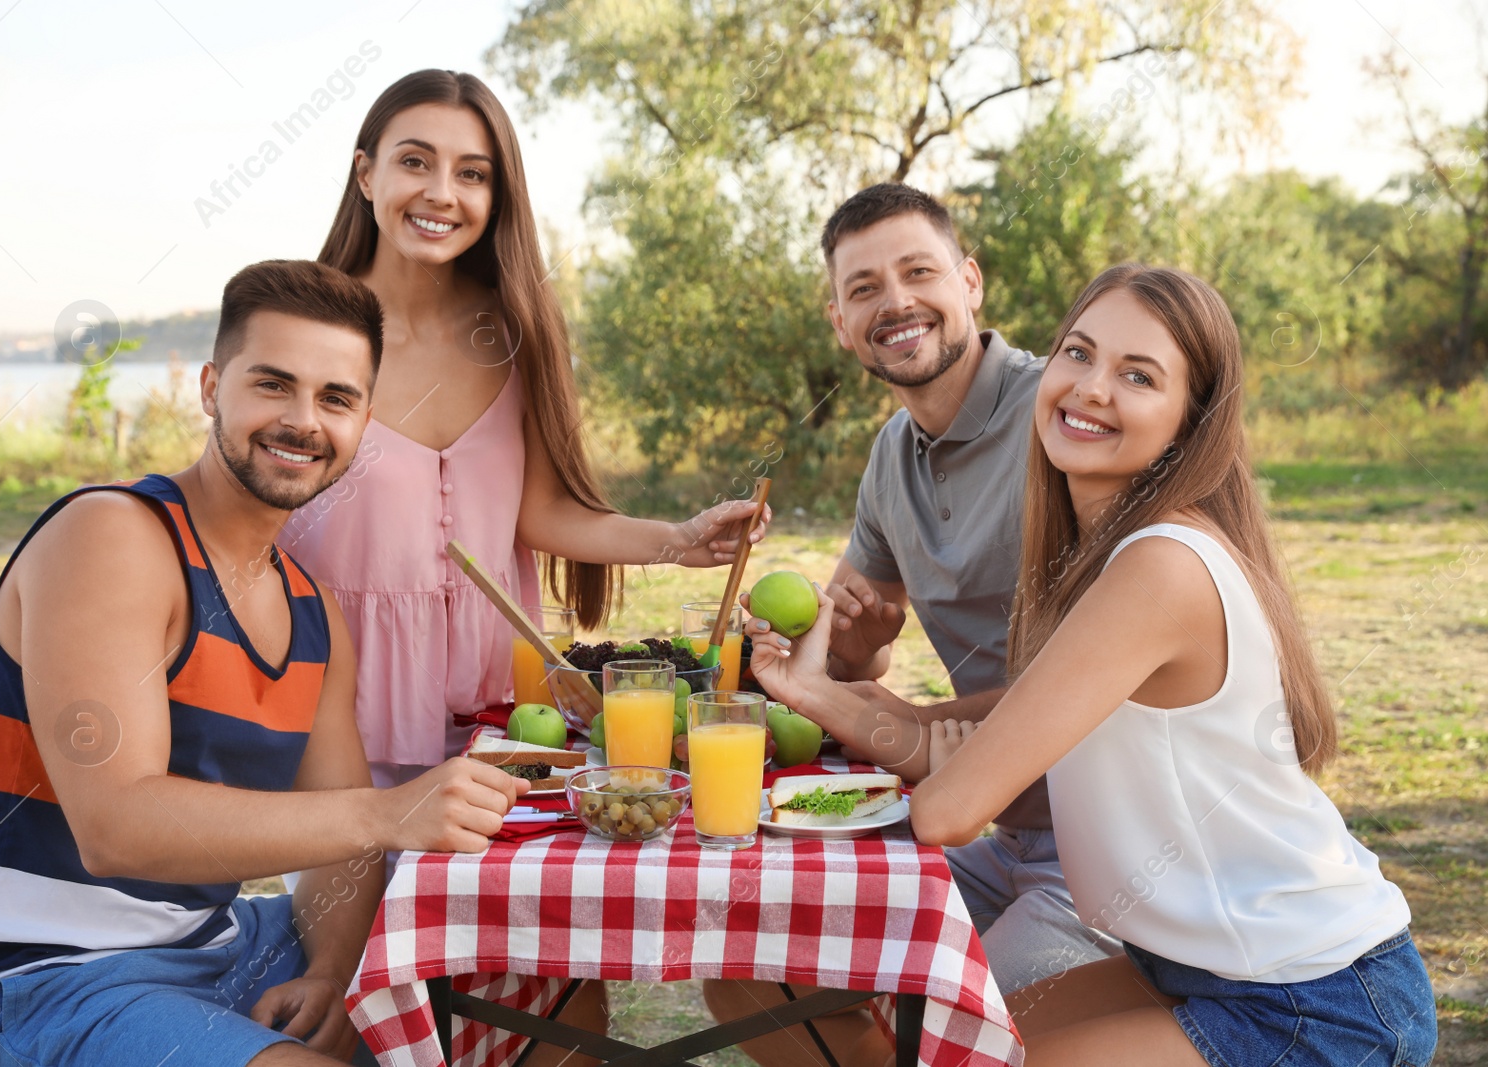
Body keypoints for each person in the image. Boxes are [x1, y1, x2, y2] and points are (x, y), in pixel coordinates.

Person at [748, 264, 1437, 1067]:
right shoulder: (1105, 560)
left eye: (1138, 375)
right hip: (1189, 970)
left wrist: (846, 707)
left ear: (1190, 422)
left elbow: (947, 810)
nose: (1091, 387)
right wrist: (815, 691)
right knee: (938, 1042)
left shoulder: (1160, 568)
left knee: (951, 1053)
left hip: (1315, 1002)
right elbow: (969, 744)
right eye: (1079, 353)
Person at [0, 260, 531, 1067]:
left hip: (217, 947)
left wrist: (338, 971)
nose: (303, 420)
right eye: (273, 385)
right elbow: (116, 826)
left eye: (335, 398)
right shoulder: (114, 537)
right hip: (36, 983)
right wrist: (388, 811)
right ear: (210, 387)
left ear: (365, 418)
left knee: (527, 975)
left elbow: (339, 842)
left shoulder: (312, 613)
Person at [702, 183, 1114, 1064]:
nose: (894, 301)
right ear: (839, 325)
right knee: (747, 974)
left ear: (970, 282)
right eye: (863, 289)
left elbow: (1085, 684)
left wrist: (850, 701)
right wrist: (822, 639)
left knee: (947, 1032)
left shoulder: (1063, 420)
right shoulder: (892, 455)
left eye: (917, 271)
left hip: (1107, 846)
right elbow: (858, 644)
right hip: (1005, 829)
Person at [283, 69, 768, 785]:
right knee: (350, 901)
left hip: (505, 710)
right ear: (365, 174)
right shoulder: (303, 327)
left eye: (471, 173)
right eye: (415, 161)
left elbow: (540, 512)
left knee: (491, 896)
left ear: (496, 194)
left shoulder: (518, 330)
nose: (441, 192)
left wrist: (680, 538)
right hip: (334, 706)